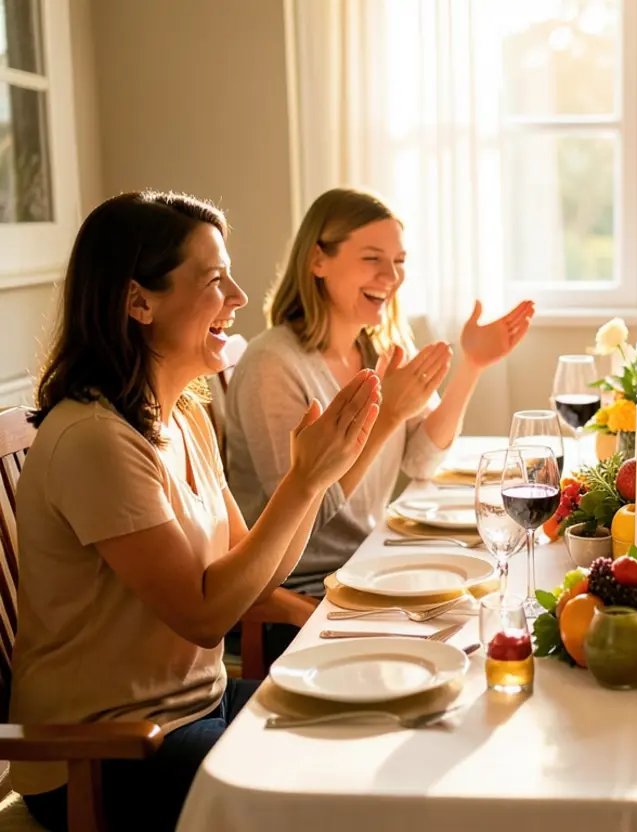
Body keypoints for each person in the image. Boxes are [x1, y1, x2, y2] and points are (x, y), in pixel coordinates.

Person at [12, 192, 382, 832]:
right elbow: (207, 616)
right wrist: (302, 481)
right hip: (107, 752)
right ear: (139, 301)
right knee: (331, 788)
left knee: (373, 723)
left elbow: (253, 578)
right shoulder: (95, 439)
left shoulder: (182, 416)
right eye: (215, 280)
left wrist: (316, 479)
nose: (239, 296)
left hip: (195, 710)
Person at [224, 188, 534, 652]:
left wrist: (472, 365)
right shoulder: (274, 365)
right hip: (304, 598)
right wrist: (387, 414)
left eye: (399, 261)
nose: (391, 277)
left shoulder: (375, 348)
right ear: (317, 261)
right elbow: (311, 513)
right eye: (372, 258)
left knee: (496, 615)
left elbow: (422, 461)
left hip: (368, 569)